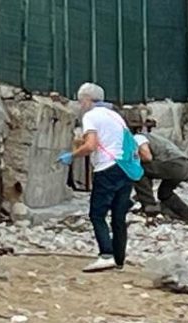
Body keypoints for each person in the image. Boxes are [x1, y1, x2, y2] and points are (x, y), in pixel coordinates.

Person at [57, 83, 134, 272]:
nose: (79, 104)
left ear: (87, 99)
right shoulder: (116, 116)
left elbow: (91, 145)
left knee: (97, 214)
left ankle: (106, 254)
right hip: (126, 166)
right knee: (118, 215)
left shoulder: (91, 116)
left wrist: (72, 155)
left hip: (107, 168)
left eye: (80, 100)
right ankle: (119, 259)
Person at [132, 119, 188, 227]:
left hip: (174, 165)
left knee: (137, 170)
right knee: (164, 193)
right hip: (185, 166)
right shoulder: (152, 137)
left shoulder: (137, 137)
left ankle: (149, 207)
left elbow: (147, 157)